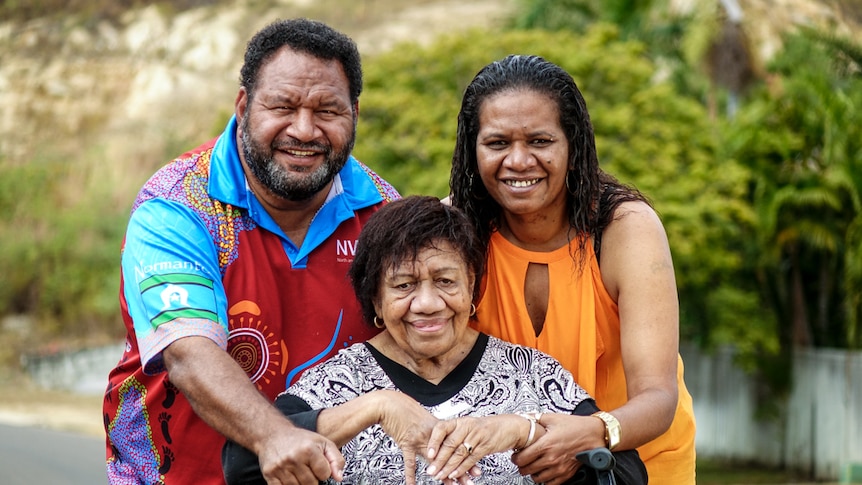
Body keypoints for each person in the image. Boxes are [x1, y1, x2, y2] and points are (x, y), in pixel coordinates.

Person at [102, 18, 400, 485]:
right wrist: (273, 437)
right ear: (243, 105)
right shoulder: (178, 206)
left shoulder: (384, 213)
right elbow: (188, 353)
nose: (304, 130)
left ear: (355, 115)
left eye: (328, 110)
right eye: (282, 105)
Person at [222, 195, 647, 485]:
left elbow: (628, 473)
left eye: (445, 281)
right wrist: (375, 407)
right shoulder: (335, 385)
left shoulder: (531, 375)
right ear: (375, 297)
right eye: (403, 285)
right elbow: (241, 464)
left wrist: (525, 432)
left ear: (471, 286)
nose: (426, 304)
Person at [448, 54, 697, 484]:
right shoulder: (453, 232)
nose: (519, 161)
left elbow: (657, 397)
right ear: (473, 151)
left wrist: (593, 432)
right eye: (497, 143)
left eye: (540, 141)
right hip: (511, 471)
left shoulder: (624, 229)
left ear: (573, 145)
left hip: (635, 464)